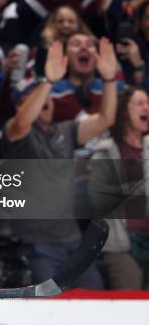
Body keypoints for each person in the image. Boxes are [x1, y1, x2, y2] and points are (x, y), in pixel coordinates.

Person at [4, 36, 117, 289]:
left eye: (48, 97)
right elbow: (22, 122)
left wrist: (109, 79)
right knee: (48, 305)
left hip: (73, 241)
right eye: (35, 98)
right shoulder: (15, 131)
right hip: (36, 244)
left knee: (95, 301)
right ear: (23, 104)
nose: (45, 102)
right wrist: (49, 80)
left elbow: (106, 119)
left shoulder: (65, 131)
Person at [89, 87, 147, 289]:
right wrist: (138, 188)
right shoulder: (106, 150)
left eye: (148, 103)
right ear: (123, 110)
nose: (146, 108)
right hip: (120, 243)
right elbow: (98, 197)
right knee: (130, 282)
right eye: (140, 103)